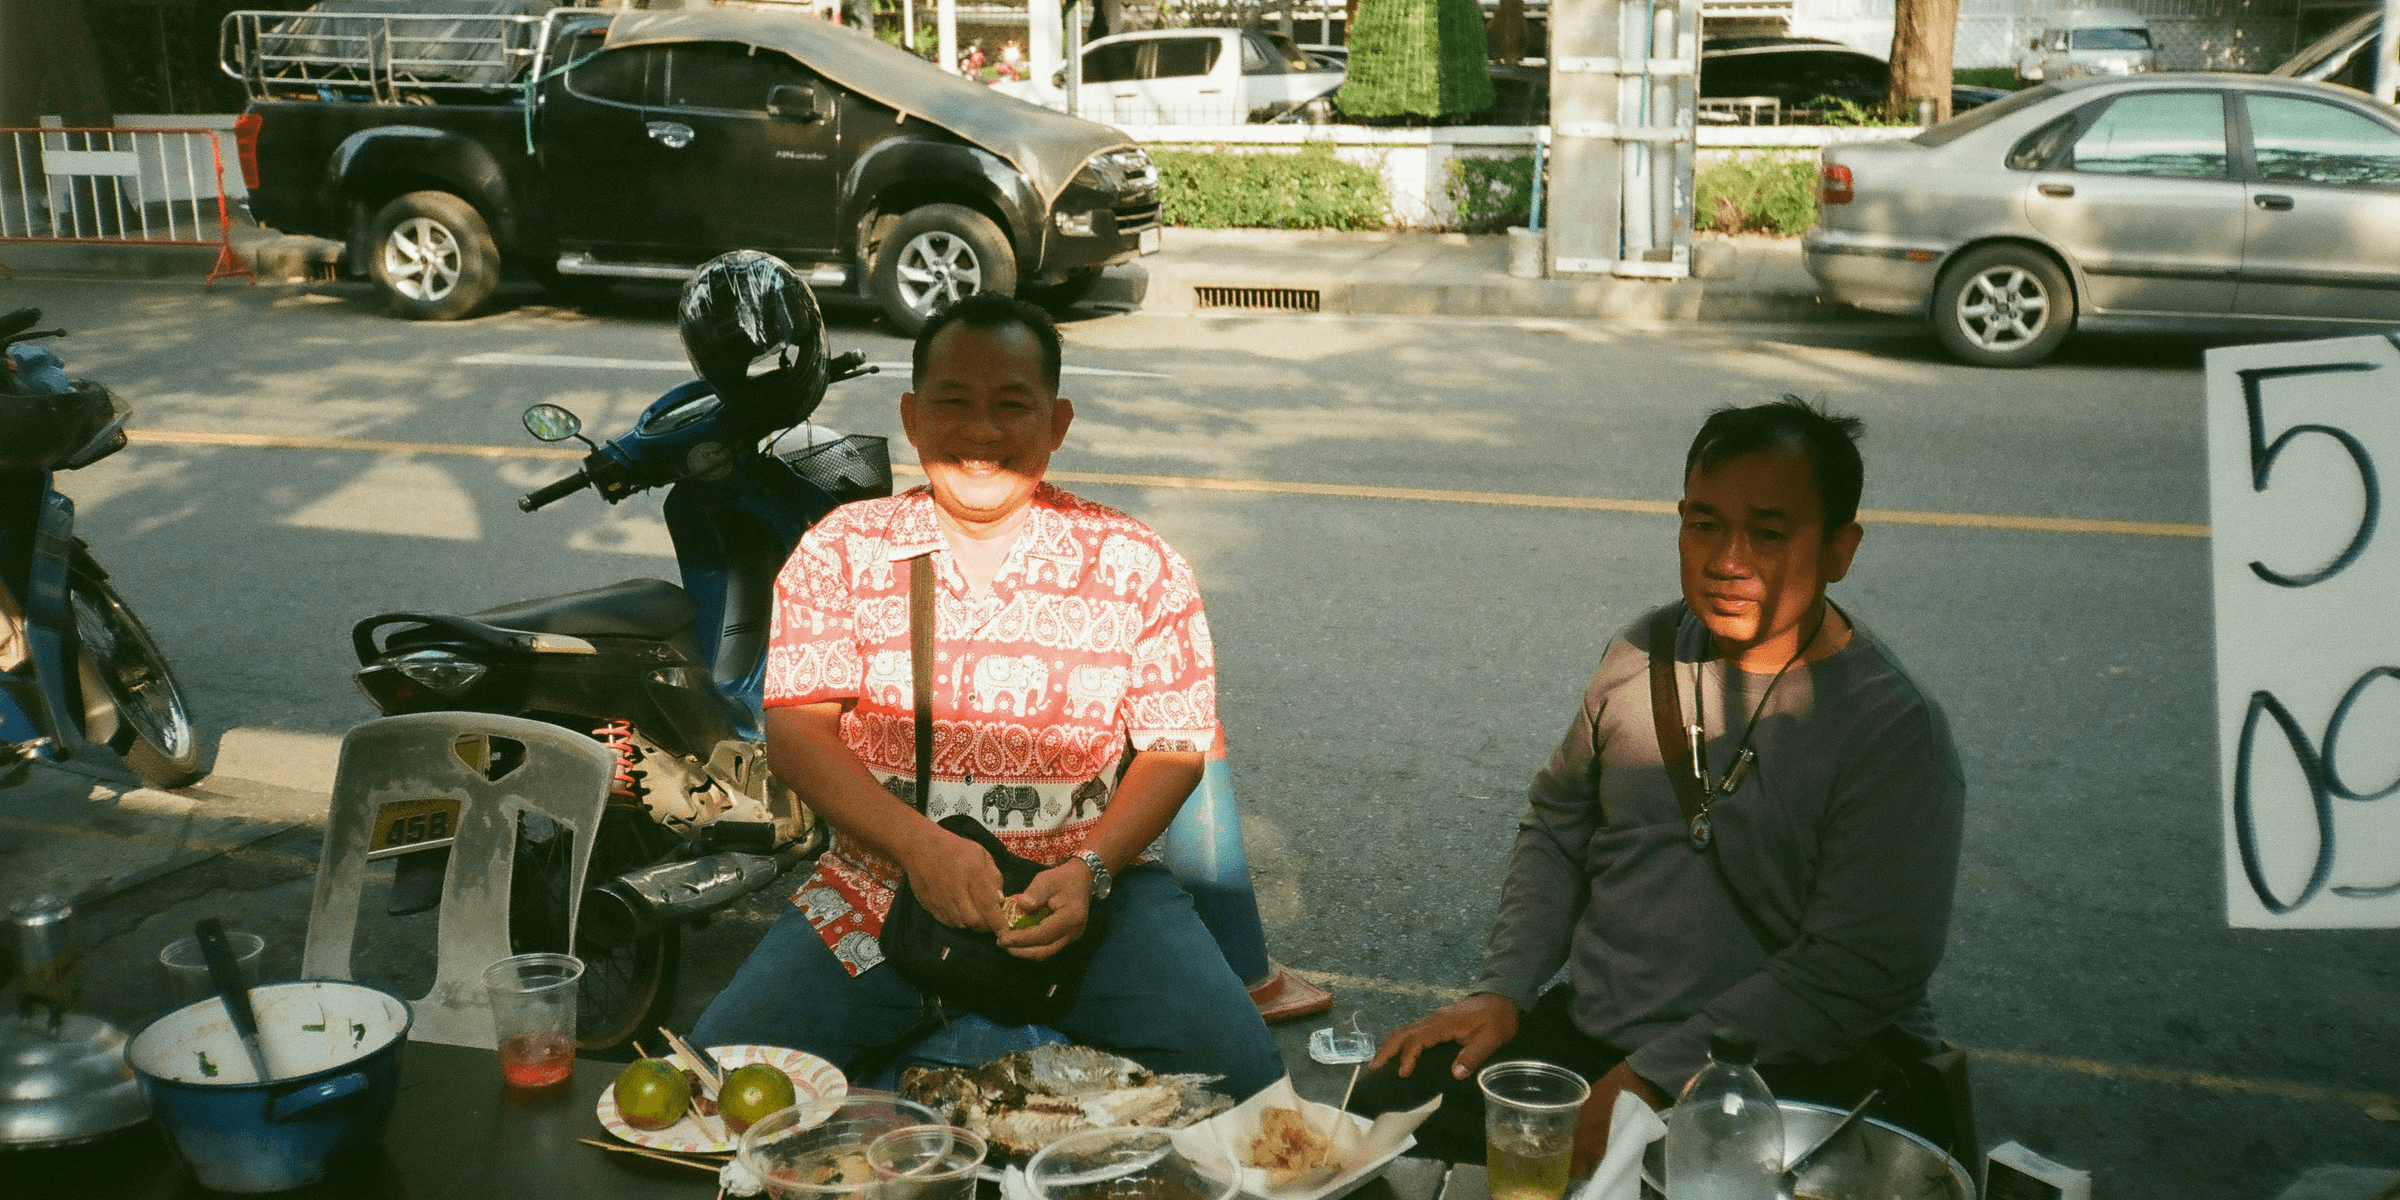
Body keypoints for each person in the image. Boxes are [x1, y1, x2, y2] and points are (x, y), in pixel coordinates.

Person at [1350, 396, 1967, 1175]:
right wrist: (1503, 991)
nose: (1727, 560)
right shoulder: (1639, 654)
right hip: (1594, 1040)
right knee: (1381, 1116)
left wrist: (1652, 1080)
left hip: (1773, 1074)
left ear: (1840, 548)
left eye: (1769, 534)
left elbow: (1856, 969)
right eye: (1703, 524)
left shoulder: (1891, 730)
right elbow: (1557, 828)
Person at [691, 293, 1284, 1098]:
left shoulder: (1138, 562)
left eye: (1012, 405)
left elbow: (1176, 746)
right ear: (911, 414)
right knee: (712, 1092)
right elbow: (798, 734)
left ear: (1057, 421)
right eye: (953, 402)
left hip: (1086, 898)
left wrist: (1093, 868)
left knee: (1247, 1085)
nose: (981, 430)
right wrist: (917, 847)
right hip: (875, 892)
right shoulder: (841, 550)